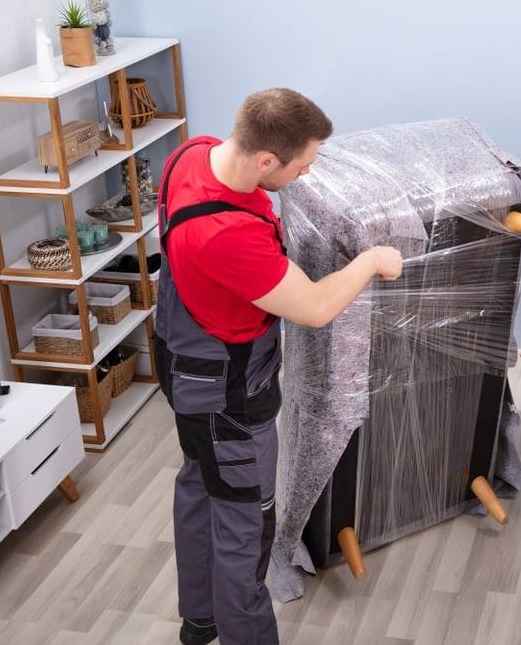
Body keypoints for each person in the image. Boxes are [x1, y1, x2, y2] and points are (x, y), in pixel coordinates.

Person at [154, 88, 403, 645]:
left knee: (200, 489)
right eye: (303, 165)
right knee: (245, 526)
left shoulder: (191, 154)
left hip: (184, 366)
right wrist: (370, 260)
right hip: (227, 398)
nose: (308, 173)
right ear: (266, 160)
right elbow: (314, 307)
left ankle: (200, 621)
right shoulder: (227, 235)